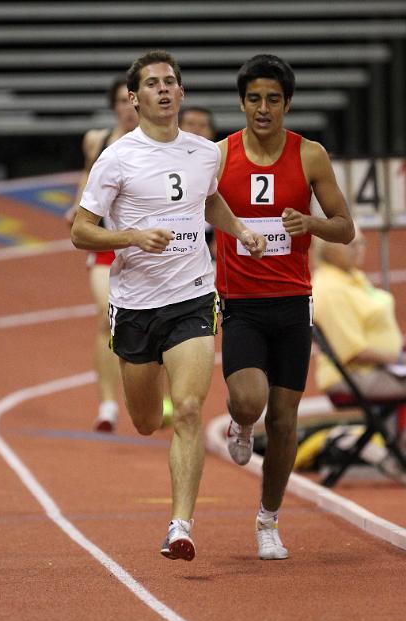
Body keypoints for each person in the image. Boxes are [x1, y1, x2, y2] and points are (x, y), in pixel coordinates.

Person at [70, 50, 265, 561]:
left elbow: (210, 200)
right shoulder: (116, 157)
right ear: (134, 99)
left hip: (193, 296)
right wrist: (131, 236)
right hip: (135, 305)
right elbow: (80, 231)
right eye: (152, 83)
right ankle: (136, 398)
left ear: (181, 93)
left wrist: (240, 229)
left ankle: (180, 525)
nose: (163, 89)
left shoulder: (204, 152)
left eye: (170, 82)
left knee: (188, 409)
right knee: (145, 421)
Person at [215, 54, 355, 560]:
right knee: (250, 401)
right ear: (242, 102)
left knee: (285, 421)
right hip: (242, 304)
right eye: (254, 98)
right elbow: (197, 208)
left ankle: (268, 520)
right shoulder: (220, 155)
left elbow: (346, 226)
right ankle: (239, 422)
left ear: (288, 103)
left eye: (273, 99)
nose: (263, 108)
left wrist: (310, 224)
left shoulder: (310, 156)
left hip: (293, 302)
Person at [65, 78, 139, 432]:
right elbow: (87, 177)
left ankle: (158, 391)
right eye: (122, 101)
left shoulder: (157, 144)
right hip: (107, 245)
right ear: (114, 106)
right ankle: (108, 403)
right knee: (106, 316)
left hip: (146, 246)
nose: (128, 108)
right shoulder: (98, 140)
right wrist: (76, 208)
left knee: (154, 321)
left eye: (133, 100)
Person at [312, 226, 406, 402]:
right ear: (327, 250)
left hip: (379, 369)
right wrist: (398, 358)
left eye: (361, 243)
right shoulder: (331, 289)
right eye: (351, 245)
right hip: (356, 375)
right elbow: (353, 352)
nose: (359, 249)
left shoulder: (351, 277)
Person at [179, 106, 218, 261]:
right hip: (173, 239)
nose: (196, 130)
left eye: (202, 125)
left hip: (213, 242)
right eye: (190, 124)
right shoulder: (161, 164)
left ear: (212, 132)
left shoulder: (222, 162)